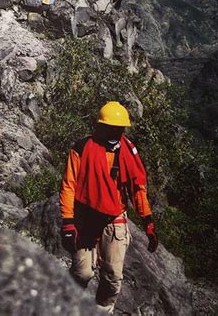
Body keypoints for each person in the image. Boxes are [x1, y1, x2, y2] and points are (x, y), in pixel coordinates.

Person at [60, 101, 158, 314]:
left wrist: (148, 221)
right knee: (83, 273)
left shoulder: (128, 152)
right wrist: (68, 221)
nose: (117, 132)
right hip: (85, 216)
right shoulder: (81, 148)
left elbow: (137, 189)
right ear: (101, 127)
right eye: (112, 128)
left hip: (114, 218)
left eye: (120, 128)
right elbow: (69, 186)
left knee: (113, 276)